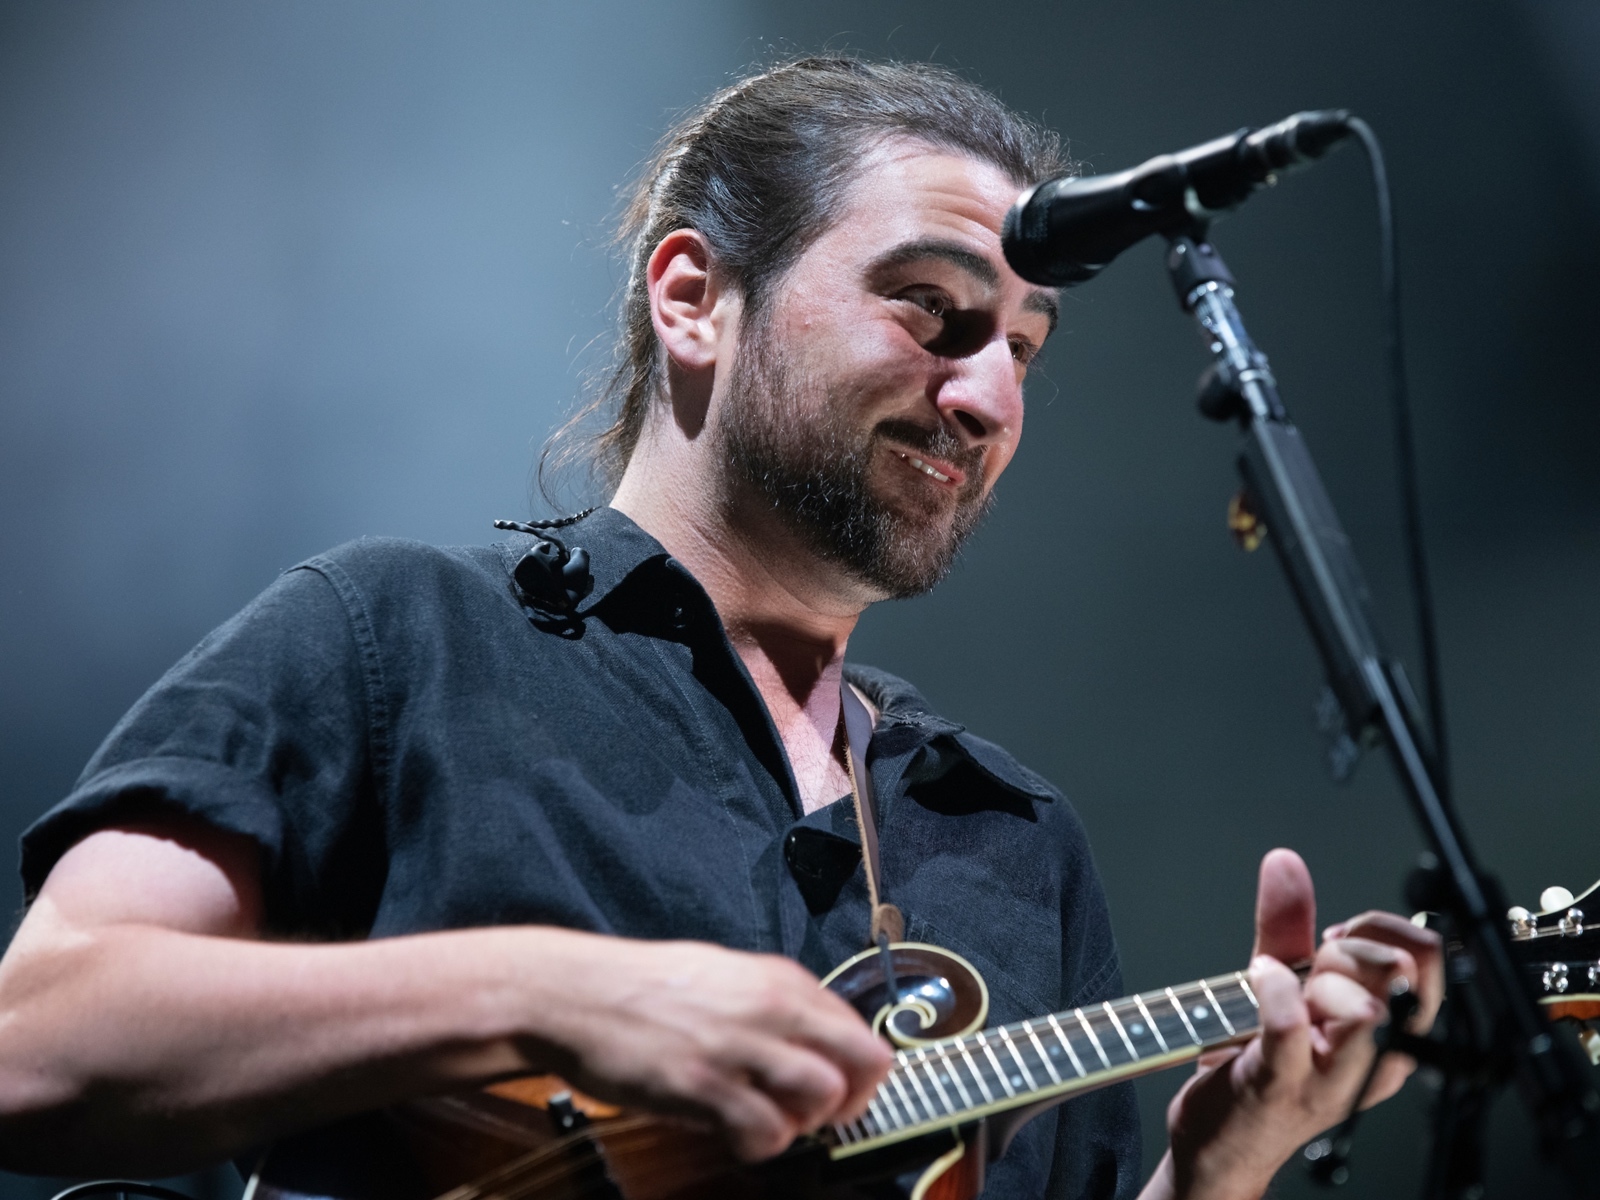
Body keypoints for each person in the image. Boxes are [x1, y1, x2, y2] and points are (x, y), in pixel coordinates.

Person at [0, 57, 1439, 1199]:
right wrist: (551, 990)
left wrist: (1215, 1167)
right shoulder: (394, 642)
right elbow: (37, 1041)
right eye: (935, 310)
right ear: (694, 297)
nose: (990, 394)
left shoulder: (1011, 838)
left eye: (1024, 347)